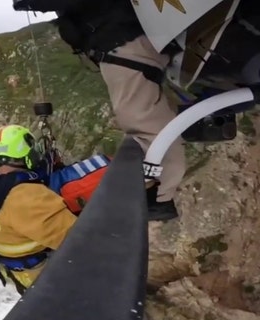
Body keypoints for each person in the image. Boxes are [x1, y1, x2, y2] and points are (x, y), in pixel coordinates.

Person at [12, 0, 185, 221]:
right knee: (143, 116)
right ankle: (155, 192)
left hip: (121, 39)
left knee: (142, 123)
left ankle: (158, 197)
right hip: (118, 37)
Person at [0, 124, 78, 294]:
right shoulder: (27, 196)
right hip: (46, 279)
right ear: (28, 153)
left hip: (18, 276)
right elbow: (79, 239)